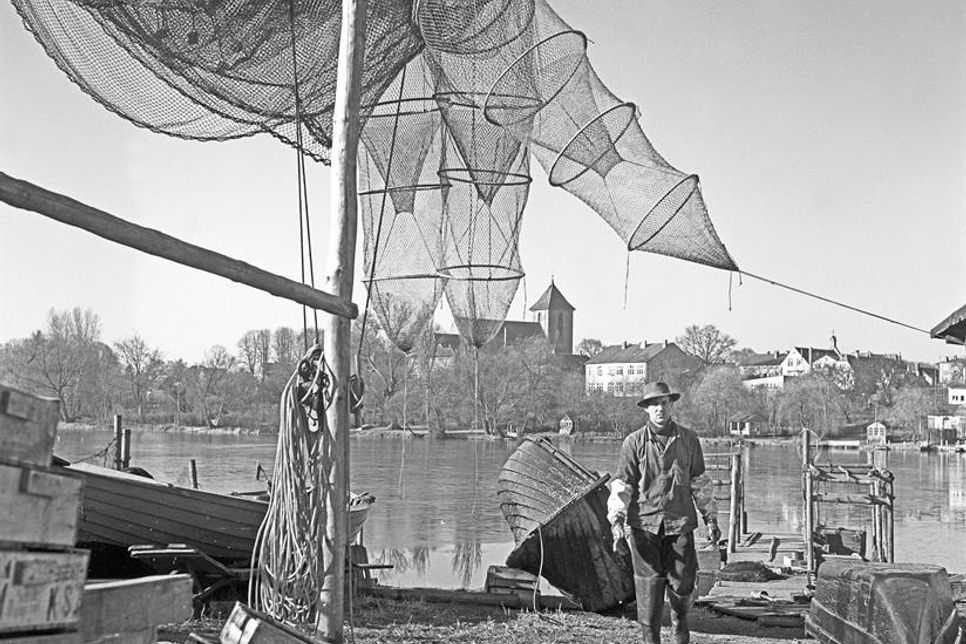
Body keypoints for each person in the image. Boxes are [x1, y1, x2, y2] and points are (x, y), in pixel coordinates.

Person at [607, 382, 720, 644]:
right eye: (654, 404)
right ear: (646, 409)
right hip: (644, 527)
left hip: (680, 526)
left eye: (664, 403)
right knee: (649, 592)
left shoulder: (689, 440)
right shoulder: (633, 443)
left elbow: (700, 482)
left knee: (682, 590)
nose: (660, 408)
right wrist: (616, 522)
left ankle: (680, 629)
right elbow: (622, 485)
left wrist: (710, 519)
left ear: (672, 405)